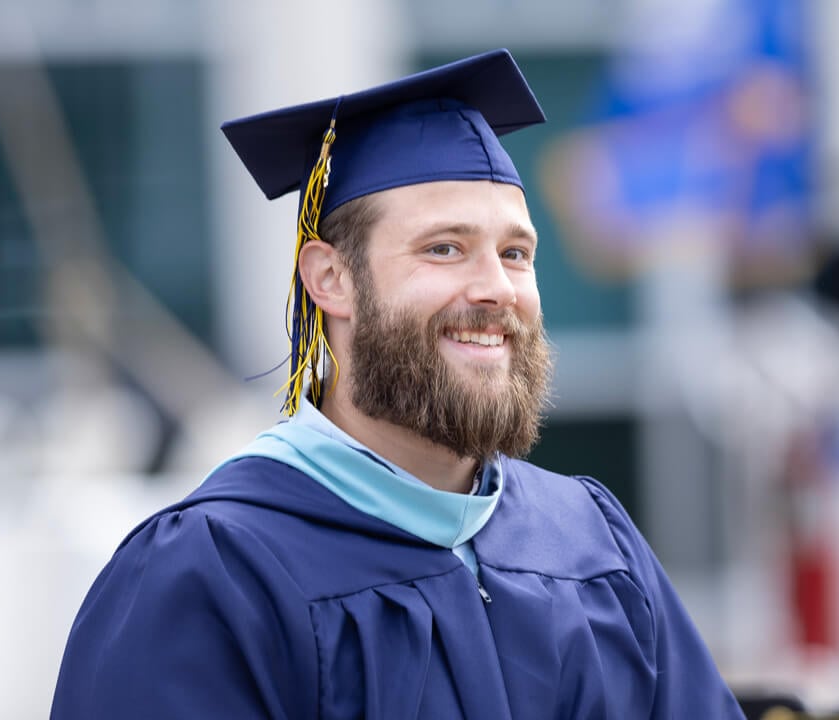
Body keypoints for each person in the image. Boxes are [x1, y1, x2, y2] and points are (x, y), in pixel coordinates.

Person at [50, 49, 746, 719]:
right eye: (444, 248)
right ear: (330, 279)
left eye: (515, 253)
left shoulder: (593, 542)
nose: (495, 289)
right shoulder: (210, 572)